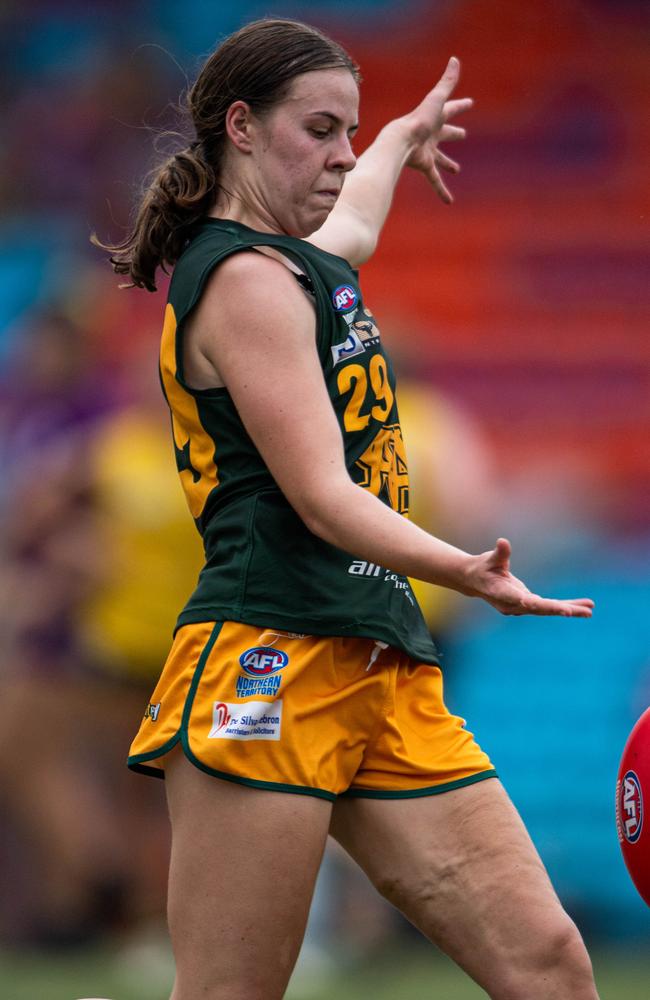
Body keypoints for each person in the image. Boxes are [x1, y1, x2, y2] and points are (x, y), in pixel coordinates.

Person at [95, 18, 599, 1000]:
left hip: (380, 666)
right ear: (240, 127)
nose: (341, 156)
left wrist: (400, 142)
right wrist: (465, 570)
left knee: (547, 966)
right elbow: (322, 498)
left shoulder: (301, 263)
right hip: (268, 663)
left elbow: (354, 223)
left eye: (350, 133)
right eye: (320, 130)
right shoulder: (243, 282)